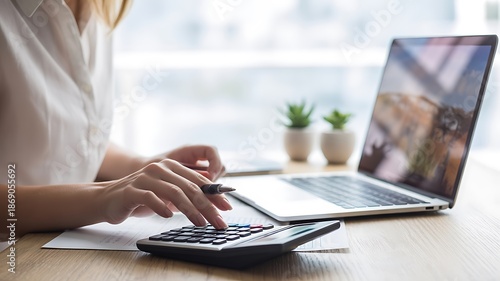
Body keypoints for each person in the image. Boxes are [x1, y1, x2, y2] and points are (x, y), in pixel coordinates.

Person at [0, 0, 232, 241]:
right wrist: (104, 198)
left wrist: (141, 169)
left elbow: (69, 140)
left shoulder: (99, 10)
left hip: (60, 251)